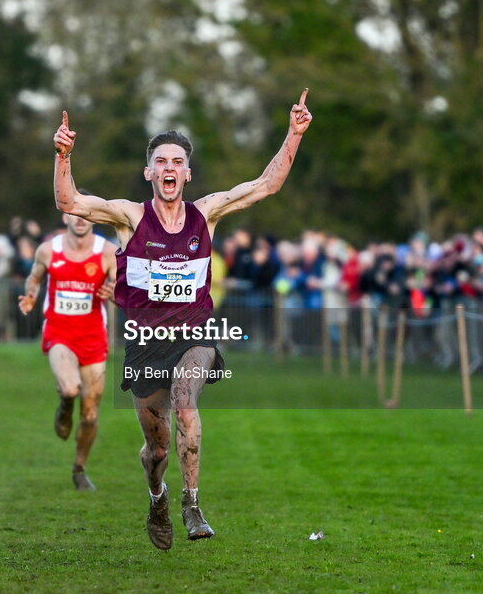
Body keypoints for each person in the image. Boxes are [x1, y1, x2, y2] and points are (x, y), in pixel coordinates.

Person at [52, 89, 313, 549]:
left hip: (195, 334)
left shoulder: (205, 214)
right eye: (161, 162)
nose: (169, 169)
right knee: (157, 448)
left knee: (186, 401)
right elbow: (69, 202)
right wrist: (64, 155)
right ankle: (158, 496)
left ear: (187, 174)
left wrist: (293, 134)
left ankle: (192, 504)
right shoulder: (129, 217)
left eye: (177, 162)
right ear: (148, 172)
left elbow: (264, 185)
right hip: (145, 341)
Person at [17, 208, 117, 491]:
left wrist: (113, 289)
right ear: (65, 218)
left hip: (94, 336)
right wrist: (31, 296)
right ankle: (64, 405)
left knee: (90, 414)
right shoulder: (49, 250)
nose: (80, 218)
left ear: (93, 218)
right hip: (60, 333)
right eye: (74, 213)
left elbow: (122, 285)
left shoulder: (107, 251)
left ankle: (79, 468)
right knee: (71, 389)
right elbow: (34, 278)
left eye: (86, 213)